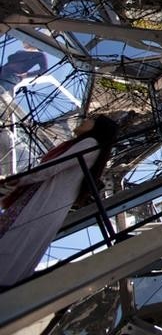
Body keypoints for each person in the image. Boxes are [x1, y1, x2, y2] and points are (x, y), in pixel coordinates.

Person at [0, 114, 118, 287]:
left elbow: (53, 167)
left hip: (43, 203)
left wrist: (20, 179)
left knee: (14, 238)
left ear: (97, 127)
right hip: (46, 202)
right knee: (19, 242)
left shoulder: (90, 144)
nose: (85, 120)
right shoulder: (92, 148)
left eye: (91, 119)